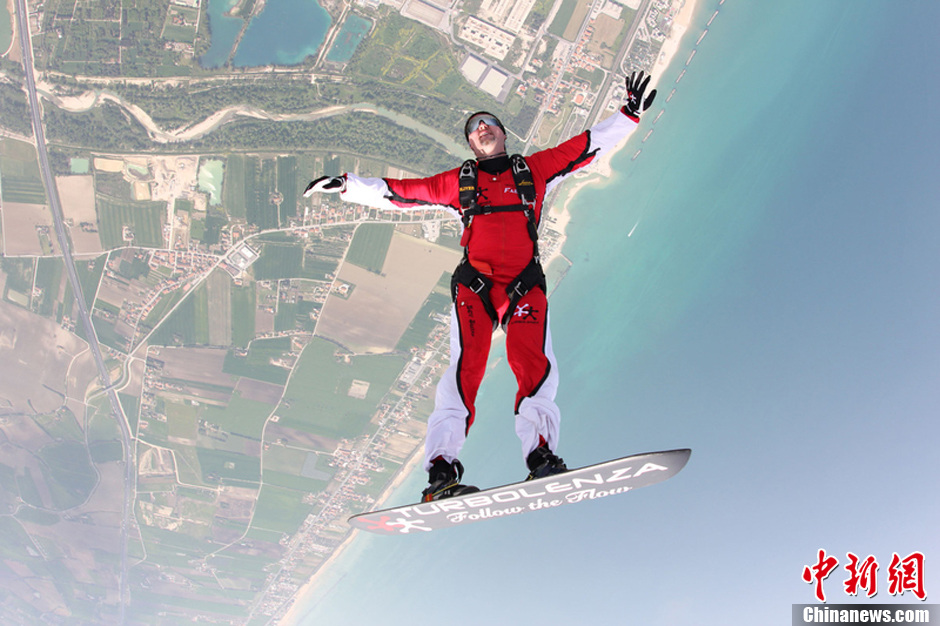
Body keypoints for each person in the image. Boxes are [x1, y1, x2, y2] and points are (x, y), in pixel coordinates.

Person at [304, 71, 657, 502]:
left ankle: (541, 455)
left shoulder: (535, 170)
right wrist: (348, 185)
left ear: (503, 134)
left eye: (488, 122)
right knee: (464, 369)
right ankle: (441, 470)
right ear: (471, 145)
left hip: (524, 285)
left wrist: (629, 114)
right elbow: (401, 192)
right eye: (474, 128)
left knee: (534, 365)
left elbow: (585, 147)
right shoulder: (459, 182)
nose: (482, 128)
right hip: (476, 287)